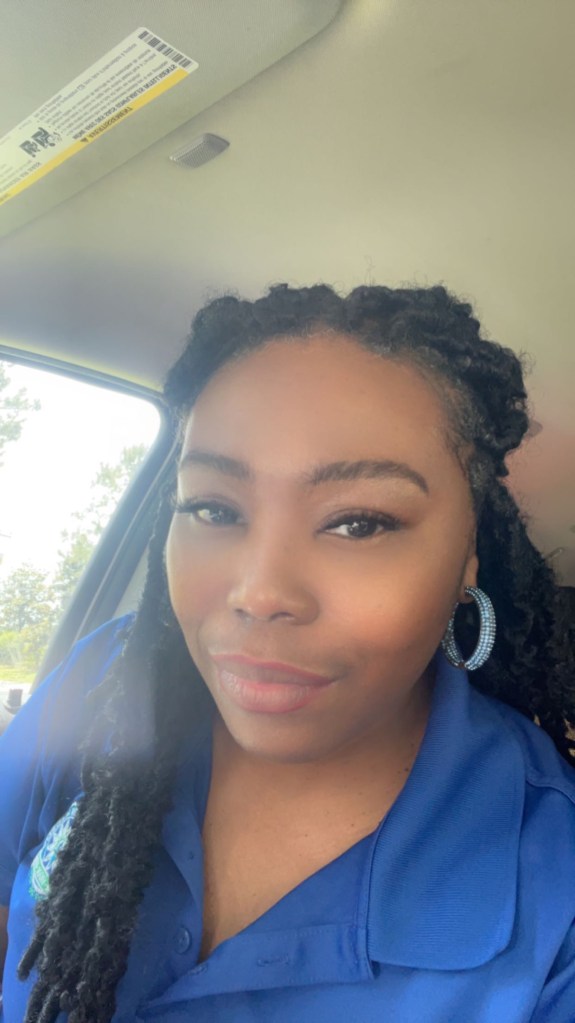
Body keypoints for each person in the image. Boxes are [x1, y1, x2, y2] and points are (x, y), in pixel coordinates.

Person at [0, 283, 574, 1023]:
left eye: (359, 523)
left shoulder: (554, 893)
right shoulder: (108, 675)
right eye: (213, 508)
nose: (260, 592)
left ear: (470, 552)